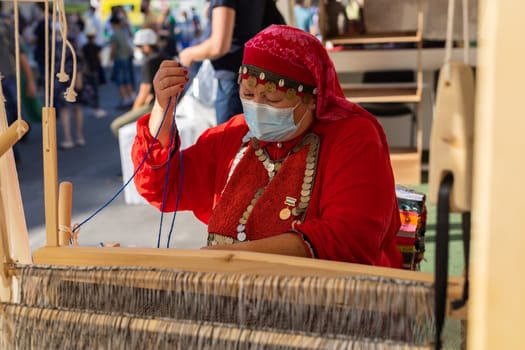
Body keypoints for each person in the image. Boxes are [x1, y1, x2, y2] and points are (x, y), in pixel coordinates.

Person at [131, 25, 402, 267]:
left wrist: (235, 259)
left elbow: (350, 238)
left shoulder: (352, 137)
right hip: (235, 293)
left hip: (327, 303)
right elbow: (162, 186)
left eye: (272, 98)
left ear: (312, 98)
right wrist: (161, 108)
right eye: (248, 94)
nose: (257, 106)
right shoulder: (236, 133)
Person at [178, 0, 283, 125]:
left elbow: (219, 46)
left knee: (229, 141)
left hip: (233, 83)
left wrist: (187, 55)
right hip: (256, 80)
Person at [110, 28, 171, 138]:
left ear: (146, 46)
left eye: (139, 47)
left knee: (116, 125)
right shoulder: (166, 57)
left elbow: (143, 92)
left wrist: (133, 114)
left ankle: (133, 152)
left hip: (157, 105)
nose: (139, 50)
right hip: (171, 103)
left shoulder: (149, 62)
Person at [108, 14, 135, 109]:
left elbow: (113, 49)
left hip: (119, 59)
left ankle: (125, 99)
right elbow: (127, 47)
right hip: (126, 58)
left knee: (120, 81)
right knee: (127, 79)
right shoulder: (123, 33)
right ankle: (131, 97)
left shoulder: (114, 35)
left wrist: (110, 59)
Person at [82, 26, 107, 119]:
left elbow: (83, 59)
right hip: (95, 69)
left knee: (89, 89)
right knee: (95, 89)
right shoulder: (96, 47)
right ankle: (96, 107)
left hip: (88, 70)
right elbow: (99, 58)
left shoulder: (84, 47)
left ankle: (92, 106)